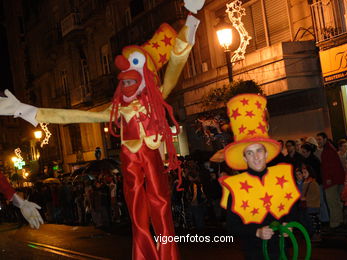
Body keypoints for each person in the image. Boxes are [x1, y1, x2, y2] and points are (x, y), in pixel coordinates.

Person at [0, 2, 205, 259]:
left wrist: (191, 18)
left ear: (144, 79)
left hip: (151, 156)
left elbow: (176, 62)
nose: (128, 84)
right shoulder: (116, 108)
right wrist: (24, 110)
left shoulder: (155, 97)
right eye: (125, 80)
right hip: (130, 160)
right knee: (138, 216)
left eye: (132, 79)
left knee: (161, 207)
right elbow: (69, 115)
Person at [219, 94, 300, 260]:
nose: (256, 157)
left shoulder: (283, 177)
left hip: (282, 252)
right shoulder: (235, 186)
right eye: (250, 153)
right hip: (255, 253)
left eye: (259, 151)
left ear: (266, 153)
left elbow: (300, 215)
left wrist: (292, 226)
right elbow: (232, 227)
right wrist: (256, 231)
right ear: (244, 158)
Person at [316, 132, 345, 229]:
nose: (318, 141)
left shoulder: (328, 150)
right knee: (335, 201)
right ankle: (339, 220)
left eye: (319, 139)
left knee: (332, 202)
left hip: (331, 181)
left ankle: (335, 222)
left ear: (325, 139)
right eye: (317, 139)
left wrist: (328, 178)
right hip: (335, 179)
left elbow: (330, 167)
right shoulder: (329, 149)